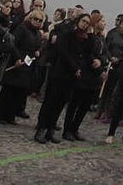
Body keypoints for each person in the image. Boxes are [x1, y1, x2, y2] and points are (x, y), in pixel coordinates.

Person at [35, 12, 92, 143]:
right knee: (51, 101)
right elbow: (63, 52)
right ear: (78, 21)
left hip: (72, 77)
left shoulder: (86, 38)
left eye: (87, 23)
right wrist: (75, 67)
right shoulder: (68, 34)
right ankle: (41, 129)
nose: (85, 24)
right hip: (60, 72)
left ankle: (50, 129)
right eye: (83, 21)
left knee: (61, 103)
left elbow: (87, 54)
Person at [0, 9, 44, 124]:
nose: (37, 22)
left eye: (40, 20)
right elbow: (13, 44)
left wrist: (38, 51)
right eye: (36, 19)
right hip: (17, 62)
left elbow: (39, 45)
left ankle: (10, 116)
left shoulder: (37, 33)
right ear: (31, 18)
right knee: (8, 91)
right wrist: (17, 58)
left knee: (19, 93)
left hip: (28, 65)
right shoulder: (22, 28)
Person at [62, 13, 105, 141]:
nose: (103, 24)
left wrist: (101, 62)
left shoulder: (101, 38)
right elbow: (87, 51)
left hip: (95, 77)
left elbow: (104, 53)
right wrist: (94, 62)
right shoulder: (87, 36)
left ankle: (75, 128)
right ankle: (67, 129)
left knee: (85, 105)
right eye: (101, 21)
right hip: (85, 73)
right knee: (74, 103)